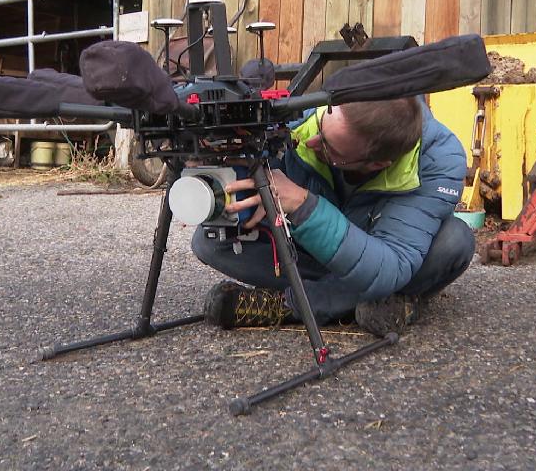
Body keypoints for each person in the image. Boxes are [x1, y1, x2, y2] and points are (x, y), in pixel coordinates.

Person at [191, 96, 475, 336]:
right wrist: (215, 168)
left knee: (454, 241)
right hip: (313, 254)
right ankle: (368, 301)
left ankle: (288, 305)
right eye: (319, 127)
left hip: (382, 257)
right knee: (211, 239)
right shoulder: (313, 113)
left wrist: (302, 205)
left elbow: (392, 266)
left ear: (377, 163)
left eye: (329, 147)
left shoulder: (439, 159)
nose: (312, 142)